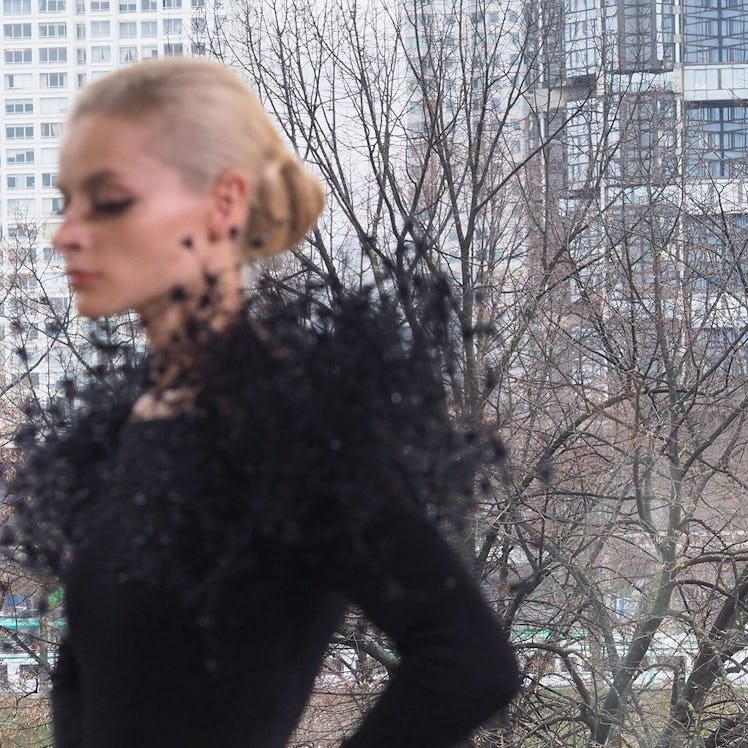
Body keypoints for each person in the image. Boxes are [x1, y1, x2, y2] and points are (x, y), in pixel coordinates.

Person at [8, 58, 520, 747]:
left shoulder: (292, 426)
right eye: (66, 200)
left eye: (110, 199)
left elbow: (469, 662)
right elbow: (83, 676)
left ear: (223, 203)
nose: (67, 232)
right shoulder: (125, 428)